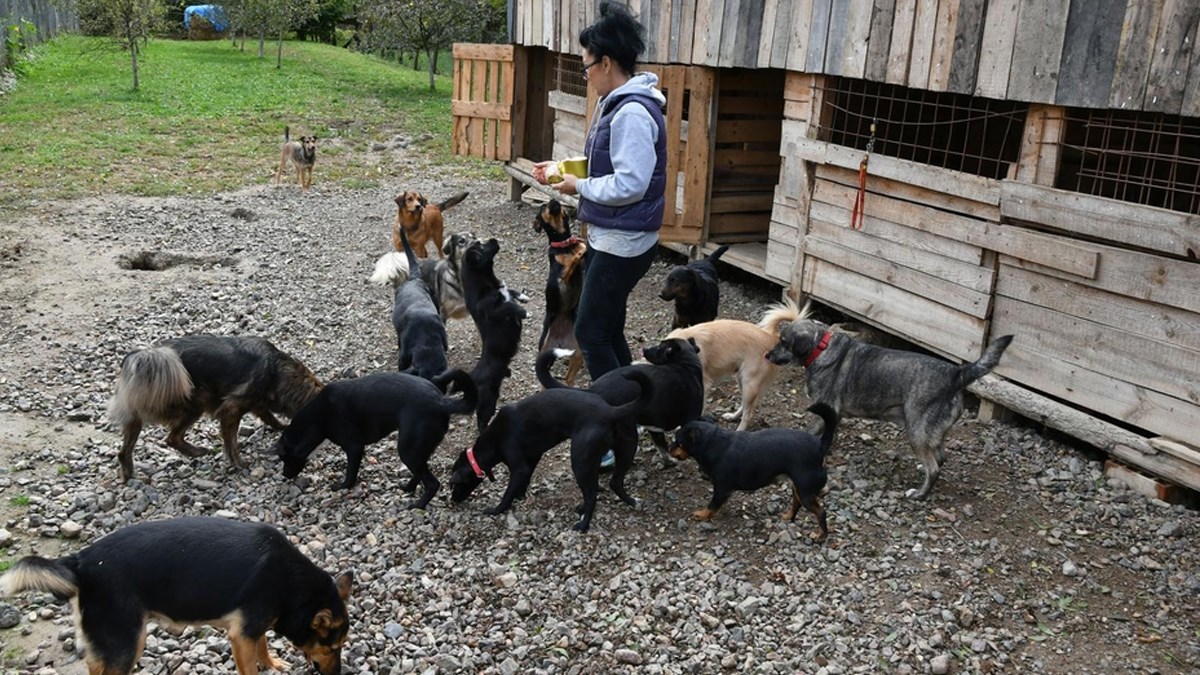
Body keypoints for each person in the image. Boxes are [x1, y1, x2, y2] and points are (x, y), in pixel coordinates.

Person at [533, 2, 667, 467]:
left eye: (586, 63)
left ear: (607, 61)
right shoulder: (622, 105)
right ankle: (640, 406)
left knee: (591, 331)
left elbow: (630, 182)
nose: (585, 72)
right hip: (620, 237)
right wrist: (564, 171)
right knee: (607, 328)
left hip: (622, 243)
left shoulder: (632, 113)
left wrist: (579, 186)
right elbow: (616, 168)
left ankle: (615, 429)